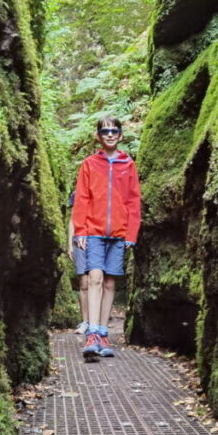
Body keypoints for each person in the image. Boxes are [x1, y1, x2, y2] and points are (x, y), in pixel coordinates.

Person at [72, 116, 141, 360]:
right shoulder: (90, 164)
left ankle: (102, 333)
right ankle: (91, 332)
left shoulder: (128, 164)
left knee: (111, 282)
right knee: (95, 277)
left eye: (114, 131)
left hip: (119, 233)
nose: (110, 135)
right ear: (99, 136)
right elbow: (82, 198)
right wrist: (80, 230)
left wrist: (131, 233)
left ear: (120, 135)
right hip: (93, 231)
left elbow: (133, 200)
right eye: (105, 131)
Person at [67, 191, 89, 334]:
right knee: (83, 282)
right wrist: (69, 244)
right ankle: (85, 321)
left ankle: (95, 322)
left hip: (96, 239)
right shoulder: (77, 193)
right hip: (79, 242)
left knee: (97, 280)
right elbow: (72, 219)